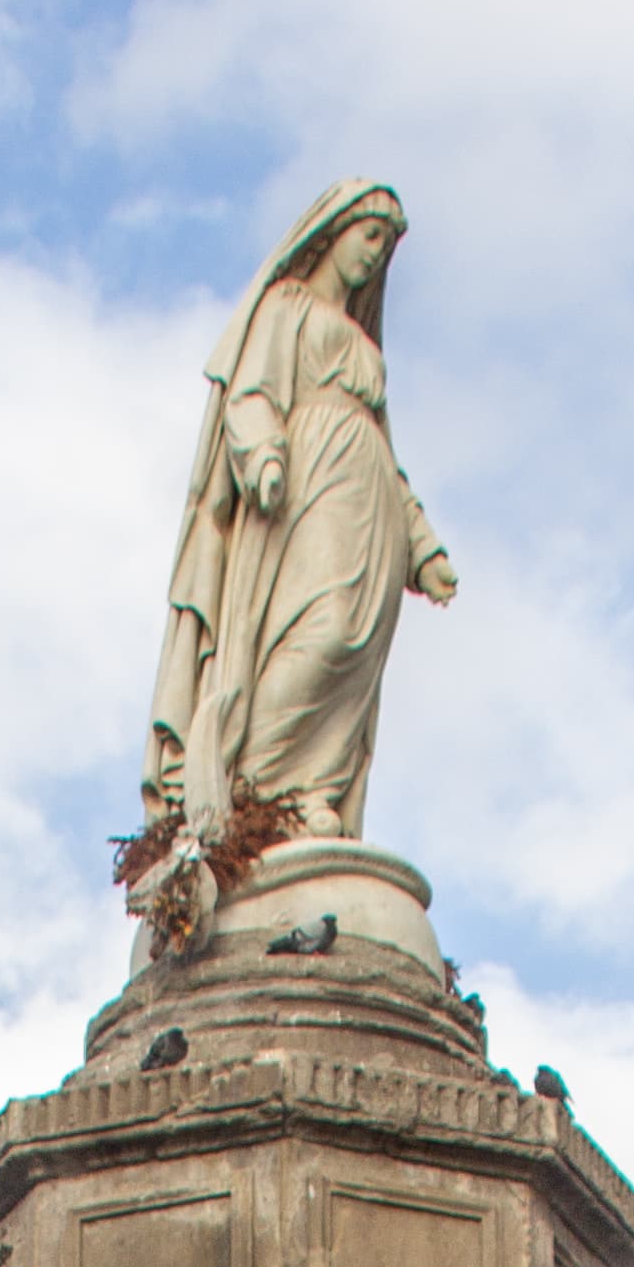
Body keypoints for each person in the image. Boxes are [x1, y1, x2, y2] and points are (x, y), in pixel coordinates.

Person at [138, 182, 456, 887]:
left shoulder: (364, 346)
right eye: (368, 236)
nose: (374, 256)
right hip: (307, 484)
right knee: (321, 630)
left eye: (386, 246)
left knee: (356, 648)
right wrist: (263, 454)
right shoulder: (286, 306)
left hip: (367, 499)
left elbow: (390, 453)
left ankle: (312, 792)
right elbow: (250, 392)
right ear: (332, 232)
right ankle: (254, 789)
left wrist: (423, 546)